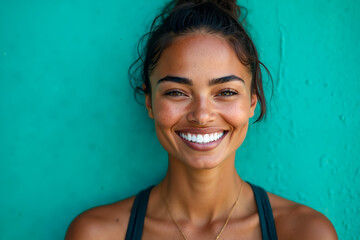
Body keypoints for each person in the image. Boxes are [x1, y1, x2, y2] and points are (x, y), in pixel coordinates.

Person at [65, 0, 338, 239]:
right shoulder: (97, 234)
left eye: (226, 92)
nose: (202, 115)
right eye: (176, 92)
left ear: (252, 102)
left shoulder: (306, 233)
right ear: (149, 102)